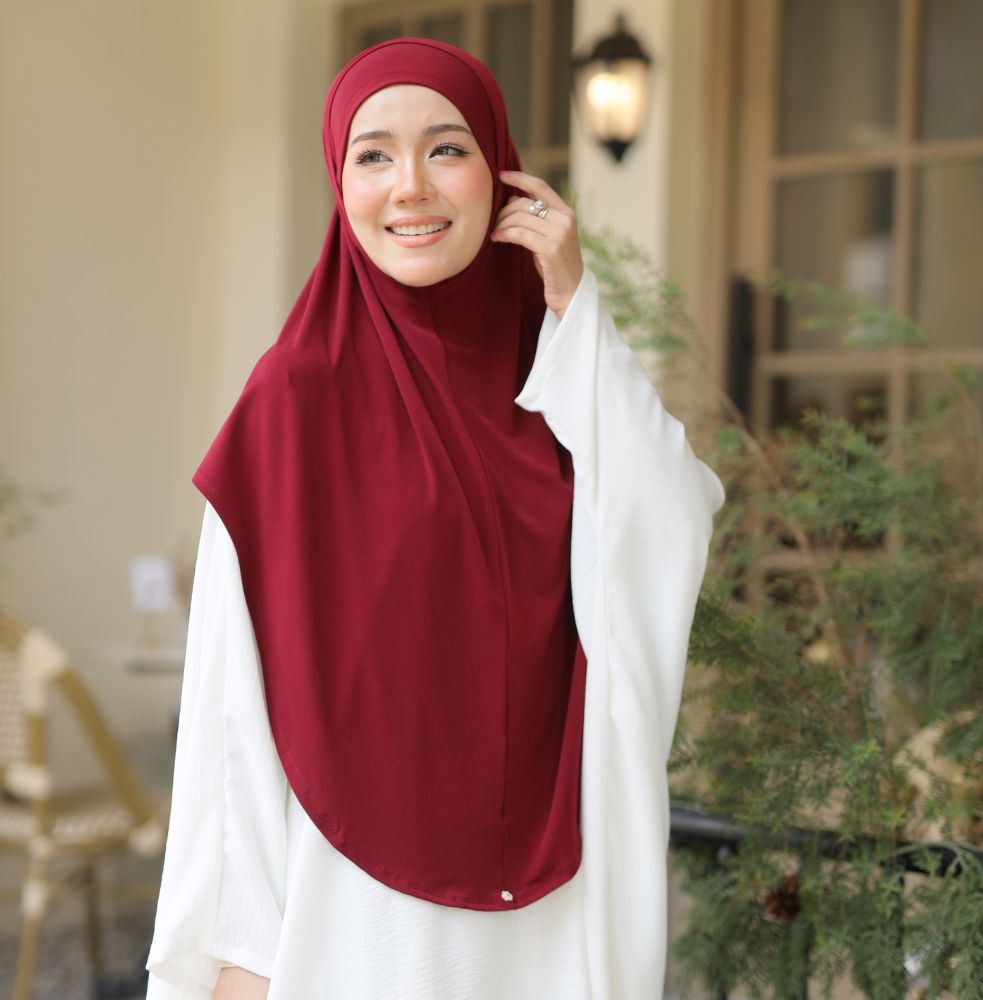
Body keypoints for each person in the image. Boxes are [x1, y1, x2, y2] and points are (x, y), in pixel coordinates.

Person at [145, 37, 725, 1000]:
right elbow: (228, 704)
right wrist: (243, 945)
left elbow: (669, 517)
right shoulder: (292, 398)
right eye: (373, 155)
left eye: (447, 149)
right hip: (349, 914)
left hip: (551, 905)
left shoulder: (564, 377)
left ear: (501, 175)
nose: (409, 186)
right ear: (341, 185)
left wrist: (576, 304)